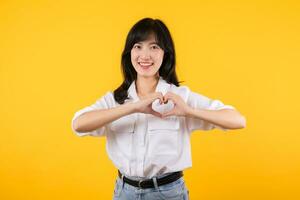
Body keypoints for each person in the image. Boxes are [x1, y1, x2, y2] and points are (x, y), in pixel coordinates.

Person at [71, 17, 246, 200]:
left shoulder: (179, 98)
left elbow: (238, 120)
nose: (145, 55)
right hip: (124, 192)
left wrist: (189, 111)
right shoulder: (115, 100)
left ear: (165, 54)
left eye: (154, 47)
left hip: (169, 193)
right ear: (129, 53)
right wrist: (133, 108)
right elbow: (78, 124)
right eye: (138, 46)